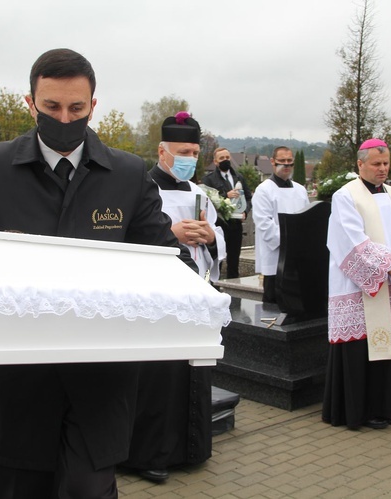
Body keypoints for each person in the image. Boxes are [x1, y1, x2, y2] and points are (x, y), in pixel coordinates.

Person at [0, 48, 194, 499]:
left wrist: (190, 296)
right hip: (14, 382)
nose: (65, 118)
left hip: (101, 381)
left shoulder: (126, 173)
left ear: (93, 106)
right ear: (31, 103)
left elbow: (163, 255)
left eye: (77, 108)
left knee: (89, 489)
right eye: (52, 107)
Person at [124, 112, 225, 482]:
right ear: (162, 151)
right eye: (183, 151)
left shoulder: (199, 193)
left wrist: (211, 237)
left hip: (194, 291)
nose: (190, 158)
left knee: (192, 368)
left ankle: (191, 448)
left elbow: (219, 239)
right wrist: (172, 231)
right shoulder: (141, 187)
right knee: (158, 376)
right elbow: (129, 234)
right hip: (155, 296)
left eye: (195, 152)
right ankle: (149, 453)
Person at [322, 138, 391, 430]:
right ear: (360, 164)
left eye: (386, 163)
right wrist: (390, 266)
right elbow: (349, 239)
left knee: (390, 345)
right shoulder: (346, 195)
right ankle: (360, 411)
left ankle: (388, 406)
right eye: (376, 164)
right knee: (362, 348)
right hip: (360, 285)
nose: (382, 169)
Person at [251, 146, 310, 303]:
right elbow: (264, 223)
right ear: (272, 162)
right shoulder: (264, 190)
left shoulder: (300, 190)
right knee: (273, 306)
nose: (286, 165)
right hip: (275, 256)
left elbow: (305, 219)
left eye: (290, 162)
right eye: (282, 161)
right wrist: (289, 240)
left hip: (297, 257)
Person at [201, 147, 252, 279]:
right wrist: (226, 195)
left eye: (227, 158)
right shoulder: (209, 180)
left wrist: (245, 212)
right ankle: (215, 289)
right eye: (222, 158)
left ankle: (234, 292)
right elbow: (208, 201)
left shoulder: (239, 177)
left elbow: (248, 197)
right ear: (216, 162)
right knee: (217, 261)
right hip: (219, 226)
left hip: (236, 225)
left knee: (234, 261)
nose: (225, 160)